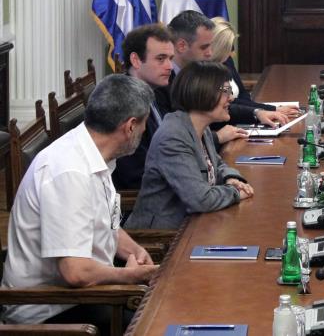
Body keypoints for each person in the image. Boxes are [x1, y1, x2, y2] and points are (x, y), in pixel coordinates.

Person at [1, 75, 158, 329]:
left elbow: (104, 223)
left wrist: (134, 251)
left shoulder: (94, 151)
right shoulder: (69, 172)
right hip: (50, 310)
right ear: (130, 126)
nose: (144, 131)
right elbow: (76, 272)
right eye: (144, 125)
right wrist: (129, 276)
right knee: (157, 323)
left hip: (84, 293)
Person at [125, 61, 254, 230]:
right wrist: (235, 192)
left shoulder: (200, 126)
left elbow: (216, 163)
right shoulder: (173, 137)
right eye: (226, 91)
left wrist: (230, 178)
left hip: (195, 225)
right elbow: (200, 199)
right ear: (203, 92)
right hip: (162, 236)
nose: (231, 97)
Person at [164, 10, 288, 129]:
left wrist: (257, 112)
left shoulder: (222, 65)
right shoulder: (166, 79)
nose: (210, 52)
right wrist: (218, 137)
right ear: (181, 46)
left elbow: (230, 100)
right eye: (204, 47)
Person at [113, 23, 174, 190]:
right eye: (161, 59)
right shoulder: (123, 105)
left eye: (171, 58)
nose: (169, 66)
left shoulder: (158, 91)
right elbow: (136, 175)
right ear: (136, 60)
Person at [210, 17, 301, 119]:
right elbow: (229, 103)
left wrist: (267, 110)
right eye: (228, 47)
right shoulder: (207, 74)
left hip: (245, 115)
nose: (232, 53)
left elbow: (243, 94)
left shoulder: (227, 61)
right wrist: (268, 110)